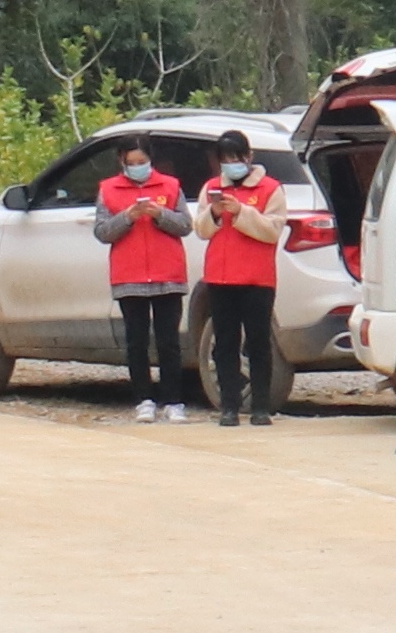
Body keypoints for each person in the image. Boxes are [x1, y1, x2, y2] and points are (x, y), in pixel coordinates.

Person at [190, 132, 287, 426]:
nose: (232, 165)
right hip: (220, 277)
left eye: (236, 158)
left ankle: (260, 406)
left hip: (257, 278)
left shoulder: (271, 189)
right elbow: (201, 230)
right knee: (225, 343)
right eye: (225, 160)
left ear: (249, 157)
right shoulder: (211, 188)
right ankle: (229, 406)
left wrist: (242, 212)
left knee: (258, 342)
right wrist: (216, 214)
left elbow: (272, 230)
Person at [96, 137, 194, 424]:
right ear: (122, 163)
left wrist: (159, 214)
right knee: (136, 341)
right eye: (132, 164)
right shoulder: (109, 189)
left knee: (168, 341)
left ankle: (174, 400)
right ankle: (143, 399)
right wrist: (128, 216)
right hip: (129, 276)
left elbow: (185, 225)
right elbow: (102, 232)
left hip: (168, 274)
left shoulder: (170, 185)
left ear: (152, 161)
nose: (138, 168)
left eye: (143, 163)